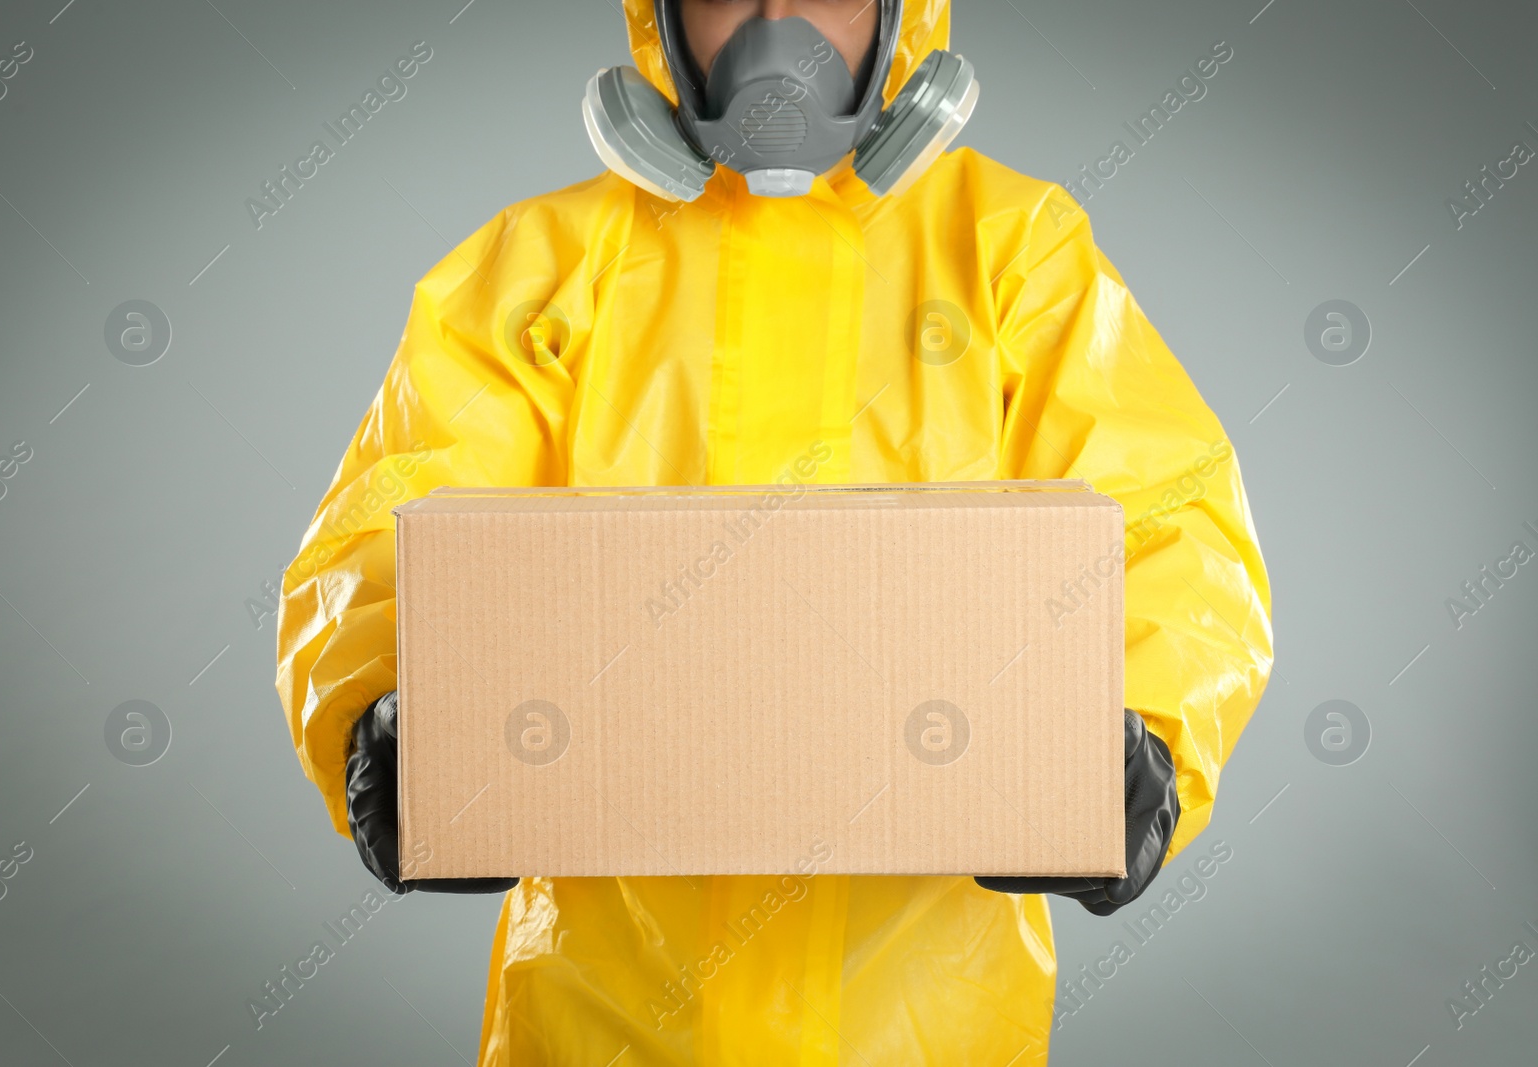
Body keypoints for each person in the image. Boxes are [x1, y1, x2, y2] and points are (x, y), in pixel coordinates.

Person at [276, 0, 1273, 1062]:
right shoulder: (542, 270)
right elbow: (398, 524)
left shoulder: (1011, 254)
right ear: (661, 18)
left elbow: (1170, 515)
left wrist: (1146, 742)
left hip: (921, 1024)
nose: (775, 27)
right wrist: (383, 723)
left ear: (902, 18)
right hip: (602, 1022)